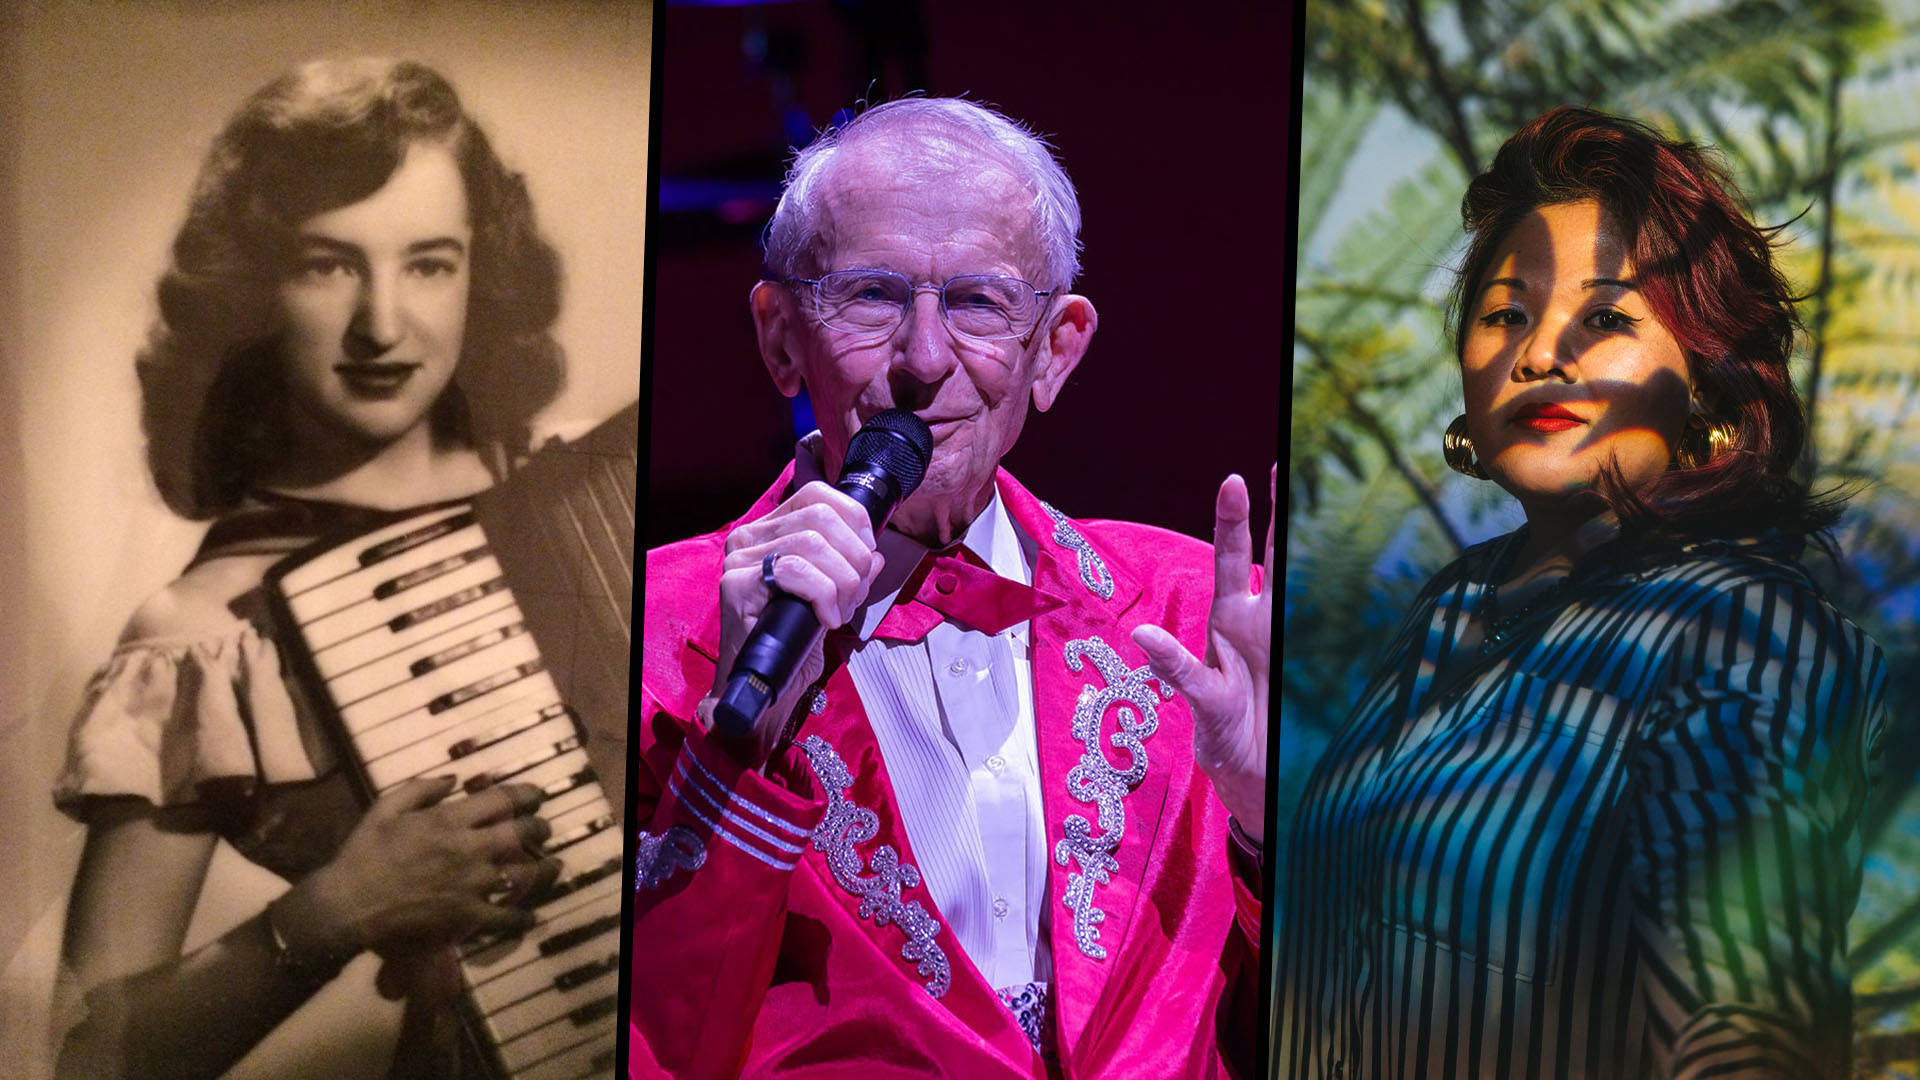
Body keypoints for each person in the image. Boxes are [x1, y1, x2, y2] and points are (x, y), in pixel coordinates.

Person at [627, 98, 1268, 1078]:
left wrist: (1278, 830)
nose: (925, 361)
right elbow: (648, 1046)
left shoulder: (1200, 618)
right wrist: (735, 750)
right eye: (872, 297)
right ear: (780, 336)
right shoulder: (649, 633)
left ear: (1054, 348)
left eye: (978, 303)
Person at [1274, 107, 1889, 1079]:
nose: (1540, 353)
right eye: (1505, 314)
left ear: (1711, 394)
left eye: (1605, 318)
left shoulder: (1738, 625)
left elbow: (1745, 1020)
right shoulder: (1445, 611)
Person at [52, 58, 569, 1079]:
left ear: (481, 271)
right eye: (328, 265)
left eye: (430, 263)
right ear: (253, 288)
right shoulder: (204, 634)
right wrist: (337, 911)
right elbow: (87, 1059)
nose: (383, 324)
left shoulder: (585, 497)